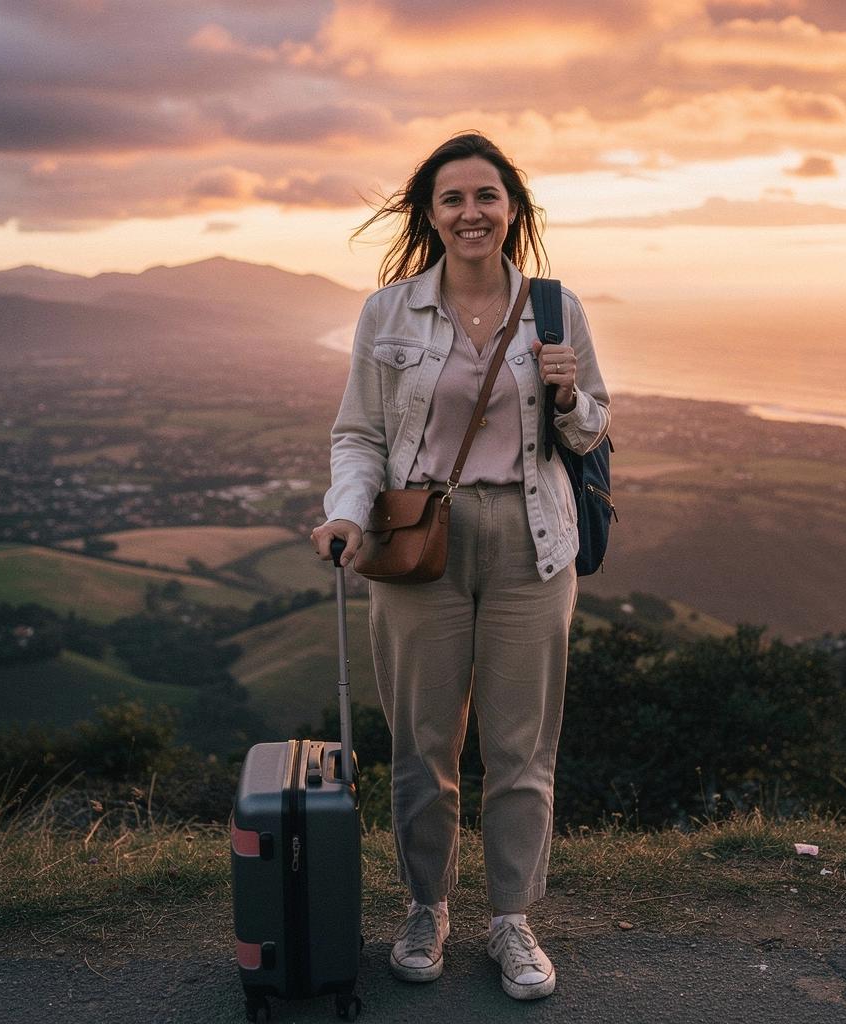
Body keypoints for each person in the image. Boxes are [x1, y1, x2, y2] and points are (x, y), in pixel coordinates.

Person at [310, 132, 610, 1001]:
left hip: (533, 540)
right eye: (453, 199)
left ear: (513, 208)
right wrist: (343, 511)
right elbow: (359, 432)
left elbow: (591, 433)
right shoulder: (388, 313)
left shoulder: (558, 310)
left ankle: (513, 921)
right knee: (422, 745)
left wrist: (565, 394)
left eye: (486, 196)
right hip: (418, 542)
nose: (471, 212)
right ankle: (425, 906)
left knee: (521, 747)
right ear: (431, 214)